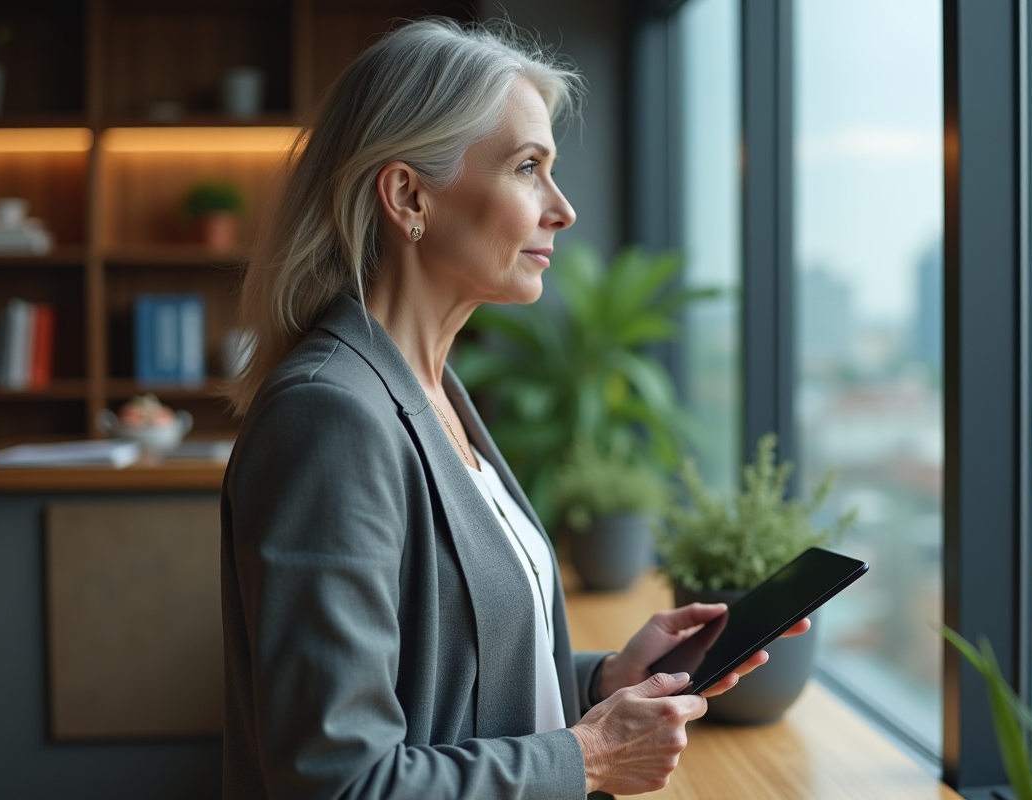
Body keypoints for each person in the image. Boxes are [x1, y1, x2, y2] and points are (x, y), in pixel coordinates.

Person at [220, 18, 807, 799]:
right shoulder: (332, 416)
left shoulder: (433, 391)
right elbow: (341, 781)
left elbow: (442, 677)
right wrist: (589, 757)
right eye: (529, 167)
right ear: (408, 195)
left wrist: (604, 680)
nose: (561, 209)